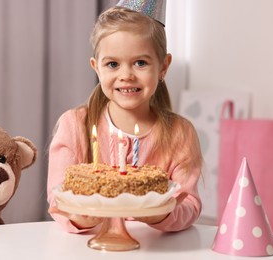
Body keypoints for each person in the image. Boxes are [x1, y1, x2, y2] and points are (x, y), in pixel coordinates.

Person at [47, 0, 203, 233]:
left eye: (140, 63)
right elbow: (58, 199)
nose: (126, 75)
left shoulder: (179, 134)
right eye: (112, 64)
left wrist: (162, 212)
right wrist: (82, 216)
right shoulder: (75, 126)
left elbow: (189, 203)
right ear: (96, 67)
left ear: (163, 66)